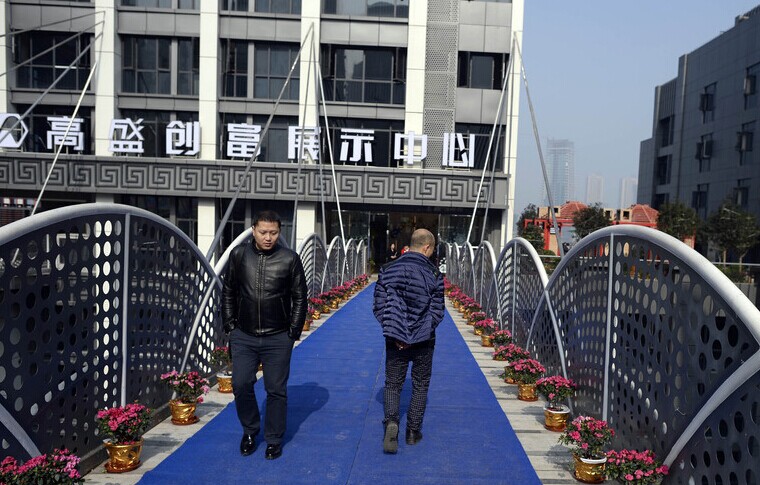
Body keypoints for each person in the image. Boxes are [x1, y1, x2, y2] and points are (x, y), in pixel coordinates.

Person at [222, 210, 307, 460]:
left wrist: (293, 331)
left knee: (276, 390)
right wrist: (230, 325)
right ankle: (250, 431)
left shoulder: (290, 258)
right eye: (263, 232)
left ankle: (273, 439)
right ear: (253, 231)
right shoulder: (238, 255)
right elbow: (228, 291)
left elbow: (300, 297)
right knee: (240, 384)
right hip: (243, 334)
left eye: (273, 233)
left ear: (279, 232)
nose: (268, 237)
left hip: (278, 336)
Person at [372, 228, 444, 454]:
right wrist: (418, 334)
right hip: (424, 340)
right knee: (420, 384)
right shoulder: (434, 274)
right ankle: (413, 431)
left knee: (393, 383)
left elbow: (379, 306)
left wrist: (397, 332)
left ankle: (391, 422)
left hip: (395, 339)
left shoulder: (387, 269)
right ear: (427, 247)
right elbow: (437, 311)